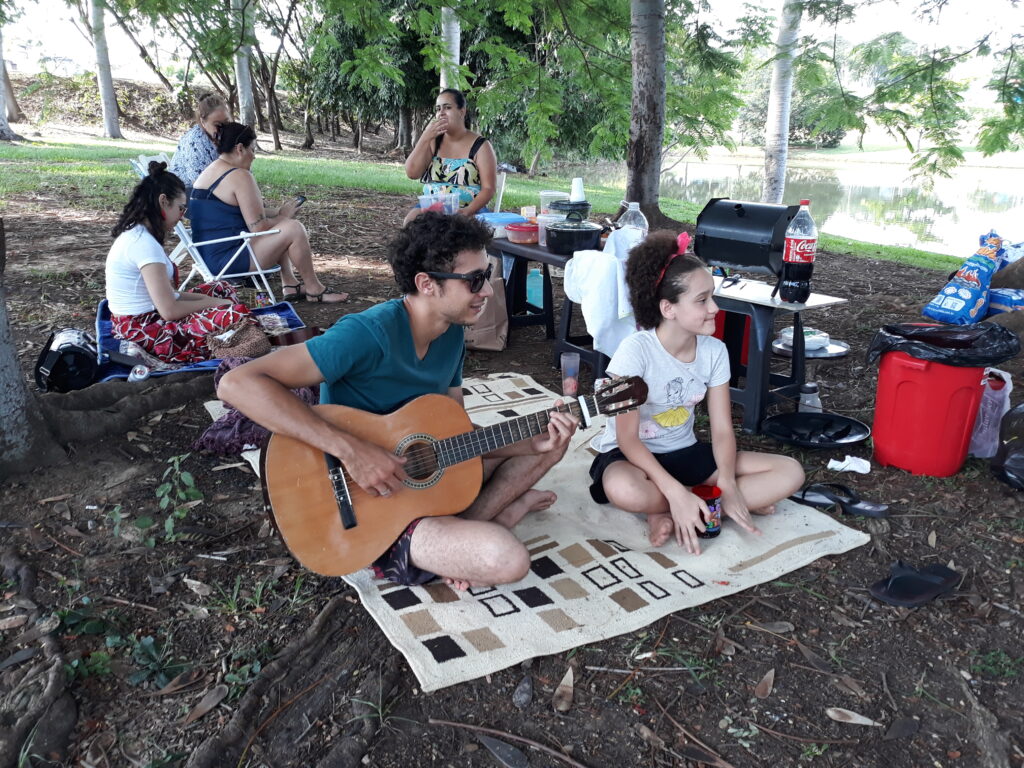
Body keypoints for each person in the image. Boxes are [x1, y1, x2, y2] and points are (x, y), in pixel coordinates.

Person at [218, 212, 578, 589]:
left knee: (550, 444)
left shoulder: (453, 334)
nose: (487, 291)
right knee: (506, 559)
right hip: (364, 507)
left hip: (421, 488)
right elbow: (236, 383)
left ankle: (467, 529)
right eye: (474, 280)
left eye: (486, 277)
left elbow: (455, 434)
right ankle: (484, 524)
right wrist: (353, 452)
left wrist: (526, 444)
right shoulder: (365, 333)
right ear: (427, 284)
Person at [587, 231, 805, 554]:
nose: (715, 308)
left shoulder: (715, 352)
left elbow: (721, 430)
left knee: (791, 472)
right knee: (624, 489)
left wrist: (729, 484)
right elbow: (628, 440)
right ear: (668, 308)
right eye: (702, 300)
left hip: (685, 452)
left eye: (712, 297)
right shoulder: (635, 352)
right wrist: (674, 492)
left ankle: (695, 503)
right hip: (632, 459)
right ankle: (681, 504)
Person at [105, 161, 254, 363]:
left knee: (222, 288)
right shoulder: (142, 244)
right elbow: (169, 310)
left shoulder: (141, 234)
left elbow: (170, 296)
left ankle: (228, 329)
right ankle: (227, 338)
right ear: (164, 201)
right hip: (145, 330)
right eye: (181, 209)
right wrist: (217, 305)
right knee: (236, 314)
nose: (182, 217)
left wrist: (213, 302)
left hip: (150, 315)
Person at [190, 122, 348, 303]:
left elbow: (238, 211)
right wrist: (283, 216)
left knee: (281, 226)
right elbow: (259, 227)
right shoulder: (239, 176)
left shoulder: (211, 171)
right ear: (240, 148)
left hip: (209, 257)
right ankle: (314, 289)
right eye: (253, 149)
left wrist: (278, 212)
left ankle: (290, 284)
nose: (254, 156)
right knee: (293, 228)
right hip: (229, 260)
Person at [403, 88, 497, 225]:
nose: (441, 113)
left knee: (458, 232)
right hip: (432, 208)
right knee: (410, 222)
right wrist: (424, 138)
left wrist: (467, 211)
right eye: (437, 109)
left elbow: (489, 188)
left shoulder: (481, 145)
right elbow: (412, 173)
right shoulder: (432, 141)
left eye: (447, 108)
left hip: (469, 209)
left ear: (462, 111)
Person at [169, 93, 230, 193]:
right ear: (203, 122)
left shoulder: (226, 135)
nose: (224, 128)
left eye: (227, 122)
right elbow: (199, 185)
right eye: (218, 125)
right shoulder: (195, 142)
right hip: (183, 193)